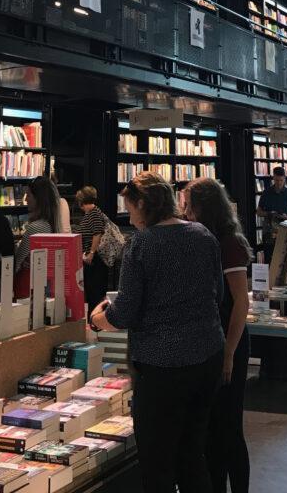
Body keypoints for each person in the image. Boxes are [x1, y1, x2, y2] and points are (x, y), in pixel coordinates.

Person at [90, 172, 223, 493]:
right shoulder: (203, 235)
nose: (130, 217)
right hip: (207, 357)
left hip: (162, 368)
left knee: (157, 461)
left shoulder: (144, 245)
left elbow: (125, 313)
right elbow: (216, 294)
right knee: (193, 453)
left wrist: (98, 318)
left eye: (130, 209)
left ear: (142, 204)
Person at [184, 178, 252, 493]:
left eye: (188, 205)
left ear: (203, 207)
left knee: (229, 428)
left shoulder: (228, 243)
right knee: (212, 428)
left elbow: (241, 301)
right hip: (212, 343)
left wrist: (229, 353)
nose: (185, 212)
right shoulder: (203, 239)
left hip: (229, 342)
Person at [15, 176, 64, 273]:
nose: (26, 200)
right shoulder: (51, 224)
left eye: (28, 195)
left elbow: (17, 264)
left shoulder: (36, 228)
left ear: (38, 199)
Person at [75, 186, 109, 315]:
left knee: (95, 292)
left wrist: (91, 253)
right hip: (92, 259)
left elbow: (97, 233)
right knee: (92, 291)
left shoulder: (93, 213)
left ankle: (95, 320)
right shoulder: (91, 213)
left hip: (94, 260)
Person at [256, 166, 287, 262]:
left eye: (281, 180)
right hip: (269, 232)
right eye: (277, 180)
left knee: (284, 260)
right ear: (273, 178)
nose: (279, 183)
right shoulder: (266, 193)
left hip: (285, 230)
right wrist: (269, 213)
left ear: (284, 179)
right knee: (269, 258)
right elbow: (259, 212)